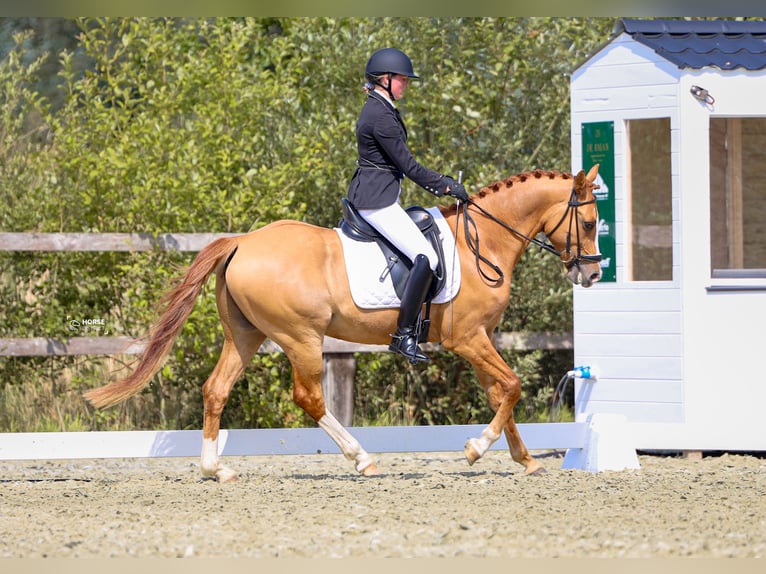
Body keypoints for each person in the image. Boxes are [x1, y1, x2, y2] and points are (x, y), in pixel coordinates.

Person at [346, 47, 469, 363]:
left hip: (379, 194)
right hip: (377, 200)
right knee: (426, 256)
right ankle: (403, 335)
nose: (406, 84)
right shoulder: (379, 115)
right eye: (402, 79)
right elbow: (408, 165)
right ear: (385, 79)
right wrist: (444, 184)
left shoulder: (380, 107)